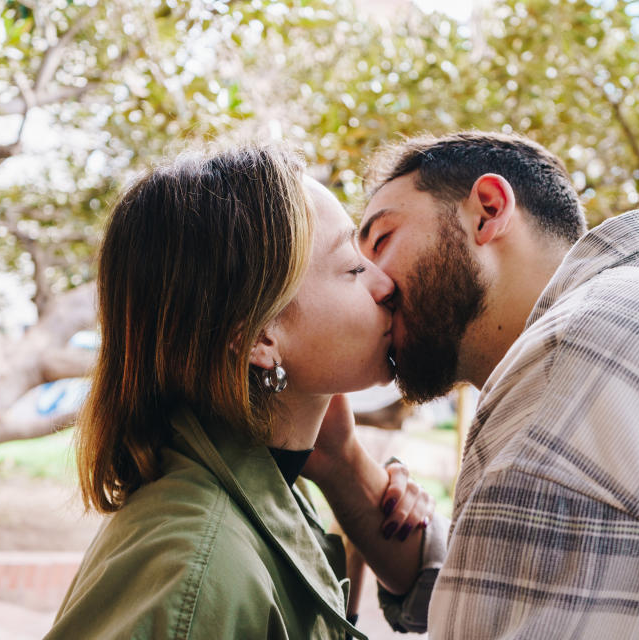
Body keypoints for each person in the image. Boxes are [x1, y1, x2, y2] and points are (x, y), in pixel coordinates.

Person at [311, 131, 639, 638]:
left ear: (489, 211)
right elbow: (510, 587)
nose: (373, 286)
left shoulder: (571, 363)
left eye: (381, 240)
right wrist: (341, 462)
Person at [45, 145, 434, 640]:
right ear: (259, 337)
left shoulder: (270, 490)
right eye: (352, 268)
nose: (385, 284)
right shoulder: (197, 568)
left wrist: (347, 477)